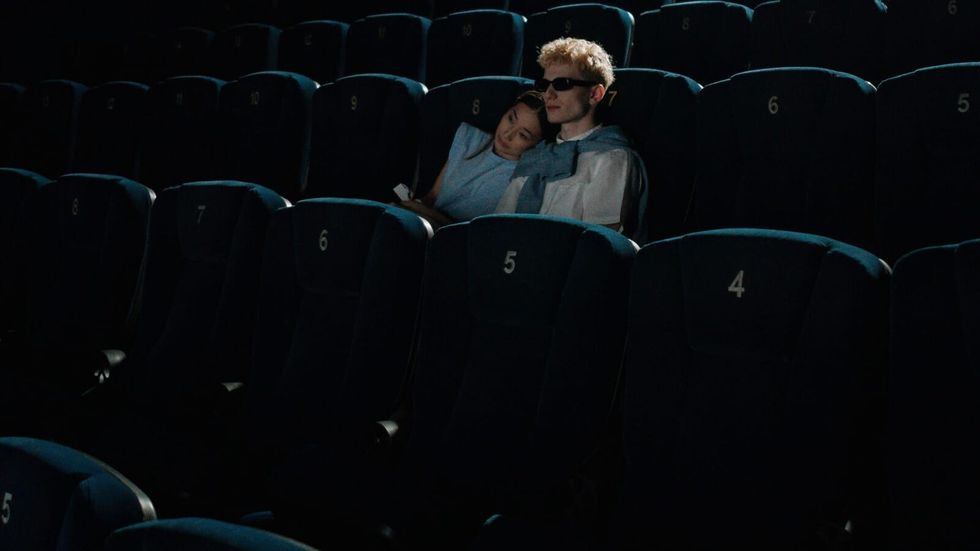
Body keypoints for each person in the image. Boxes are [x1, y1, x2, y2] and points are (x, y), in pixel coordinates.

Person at [495, 37, 648, 240]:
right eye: (545, 85)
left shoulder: (612, 158)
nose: (548, 95)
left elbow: (600, 242)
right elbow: (498, 227)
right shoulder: (535, 157)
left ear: (595, 94)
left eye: (562, 84)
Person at [399, 90, 556, 228]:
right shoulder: (469, 139)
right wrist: (410, 205)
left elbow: (481, 232)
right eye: (510, 118)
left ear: (538, 144)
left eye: (523, 135)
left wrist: (429, 215)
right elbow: (432, 197)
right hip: (421, 221)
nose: (507, 134)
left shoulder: (523, 180)